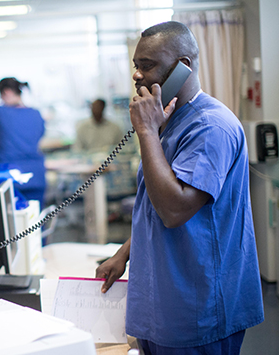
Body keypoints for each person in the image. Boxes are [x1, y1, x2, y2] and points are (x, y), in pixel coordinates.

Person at [95, 21, 263, 354]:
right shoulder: (168, 122)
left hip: (198, 309)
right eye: (136, 66)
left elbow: (174, 209)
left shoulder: (210, 127)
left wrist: (145, 132)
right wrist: (124, 253)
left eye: (148, 65)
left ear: (182, 68)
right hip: (163, 303)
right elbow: (155, 204)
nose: (137, 76)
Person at [0, 77, 46, 206]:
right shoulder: (36, 114)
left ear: (7, 92)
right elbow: (40, 137)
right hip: (35, 176)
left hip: (8, 177)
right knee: (34, 219)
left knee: (7, 222)